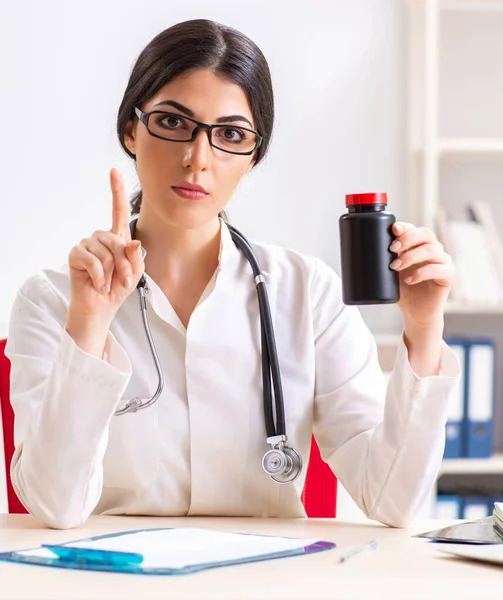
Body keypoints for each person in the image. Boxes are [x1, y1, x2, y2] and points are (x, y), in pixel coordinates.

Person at [6, 19, 459, 530]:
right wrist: (88, 330)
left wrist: (423, 333)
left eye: (230, 135)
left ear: (253, 156)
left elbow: (393, 501)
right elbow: (55, 506)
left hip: (265, 580)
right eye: (173, 122)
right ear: (131, 131)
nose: (197, 158)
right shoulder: (51, 300)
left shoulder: (307, 294)